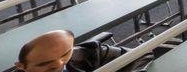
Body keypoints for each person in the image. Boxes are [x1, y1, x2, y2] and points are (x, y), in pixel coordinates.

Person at [15, 30, 151, 72]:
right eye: (44, 63)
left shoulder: (87, 53)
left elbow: (141, 54)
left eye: (65, 54)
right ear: (21, 66)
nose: (58, 64)